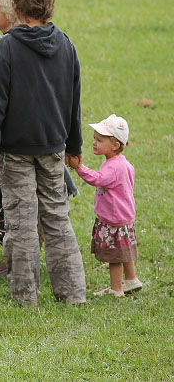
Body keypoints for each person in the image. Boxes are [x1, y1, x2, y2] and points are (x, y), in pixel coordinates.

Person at [0, 0, 86, 306]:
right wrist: (74, 148)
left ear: (18, 4)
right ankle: (72, 294)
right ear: (48, 4)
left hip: (14, 151)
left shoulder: (8, 47)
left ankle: (24, 297)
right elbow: (74, 101)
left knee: (21, 223)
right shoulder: (66, 44)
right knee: (57, 219)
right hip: (53, 146)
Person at [67, 115, 141, 297]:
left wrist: (79, 168)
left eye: (99, 140)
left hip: (114, 219)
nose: (94, 143)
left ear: (115, 145)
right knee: (125, 250)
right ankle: (131, 279)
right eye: (95, 139)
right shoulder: (123, 163)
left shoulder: (113, 167)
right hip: (125, 217)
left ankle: (116, 290)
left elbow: (97, 179)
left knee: (114, 256)